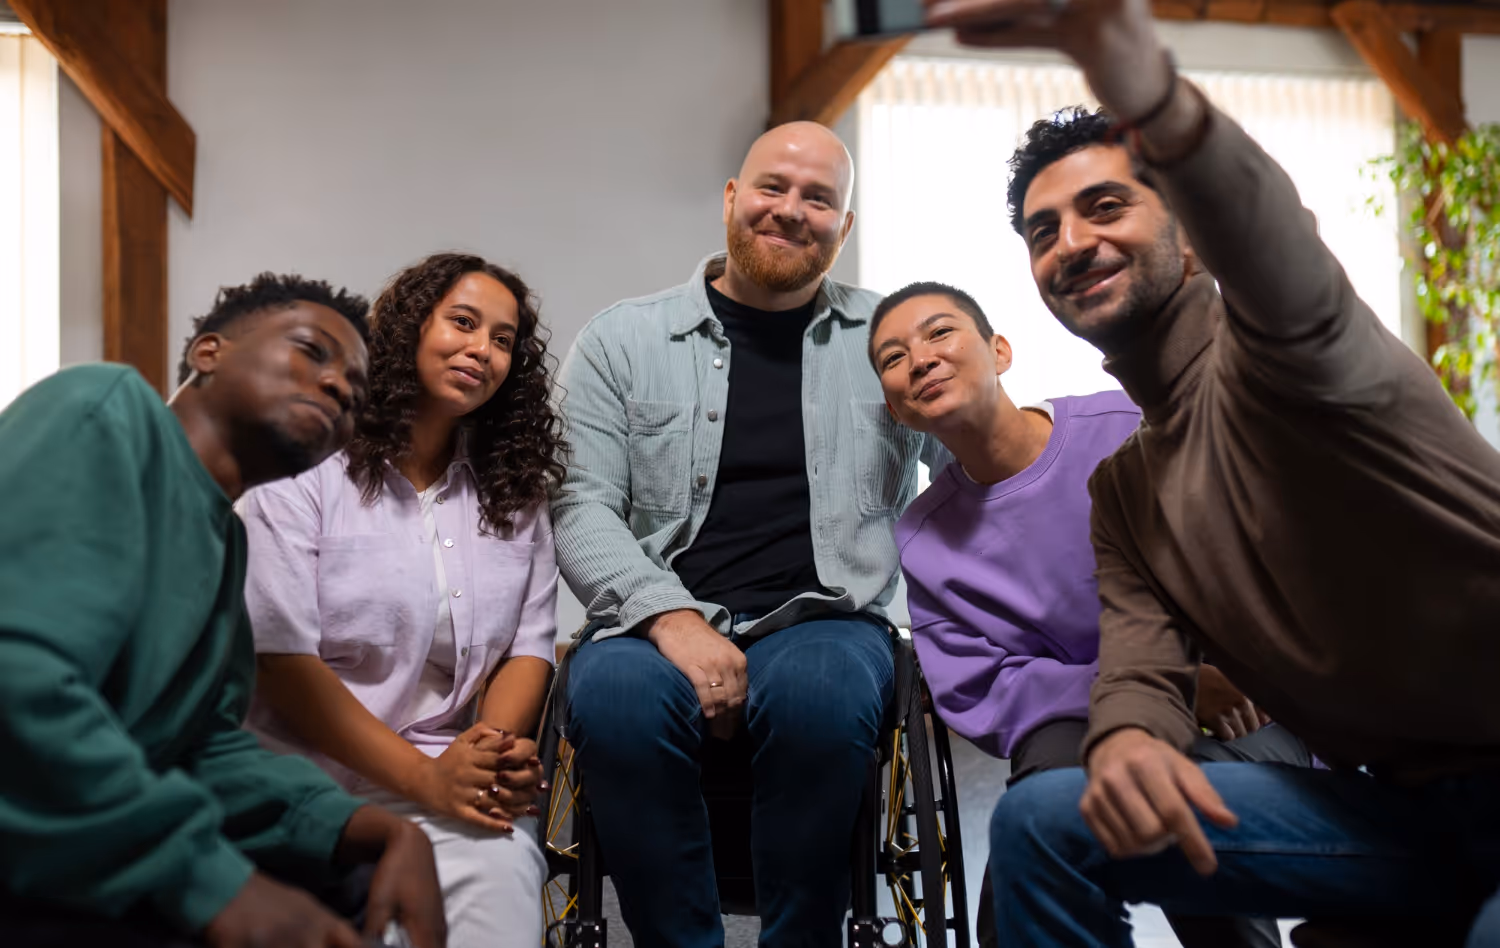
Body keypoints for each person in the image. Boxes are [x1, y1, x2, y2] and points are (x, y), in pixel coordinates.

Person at [918, 0, 1500, 944]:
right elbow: (1142, 666)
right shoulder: (1125, 491)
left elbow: (1269, 235)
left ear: (1190, 235)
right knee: (1040, 823)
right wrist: (1132, 740)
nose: (1071, 243)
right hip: (1406, 814)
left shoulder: (1297, 351)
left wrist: (1142, 83)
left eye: (1106, 206)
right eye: (1043, 231)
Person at [552, 120, 941, 946]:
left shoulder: (891, 339)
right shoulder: (621, 341)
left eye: (819, 198)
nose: (791, 210)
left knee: (821, 695)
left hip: (826, 619)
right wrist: (671, 616)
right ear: (733, 198)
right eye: (772, 186)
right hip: (650, 622)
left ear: (844, 227)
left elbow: (979, 464)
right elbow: (580, 504)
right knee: (613, 694)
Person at [0, 273, 446, 948]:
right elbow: (18, 677)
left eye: (354, 397)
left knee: (350, 889)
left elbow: (200, 746)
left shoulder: (223, 543)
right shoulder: (106, 410)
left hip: (75, 836)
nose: (336, 388)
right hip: (26, 847)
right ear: (208, 352)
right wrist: (209, 883)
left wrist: (373, 827)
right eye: (312, 351)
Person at [870, 281, 1308, 948]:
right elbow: (988, 692)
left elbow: (1258, 562)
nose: (920, 359)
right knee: (1060, 778)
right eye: (893, 357)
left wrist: (1214, 678)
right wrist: (1161, 689)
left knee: (1159, 786)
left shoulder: (1128, 427)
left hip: (1245, 714)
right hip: (1074, 732)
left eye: (939, 333)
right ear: (895, 407)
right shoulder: (925, 538)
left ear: (1001, 351)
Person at [239, 253, 565, 948]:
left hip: (446, 771)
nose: (482, 349)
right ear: (410, 328)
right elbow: (281, 660)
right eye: (463, 322)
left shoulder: (516, 491)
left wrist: (489, 758)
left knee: (501, 880)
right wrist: (427, 780)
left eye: (503, 340)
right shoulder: (305, 468)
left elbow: (530, 647)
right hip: (298, 774)